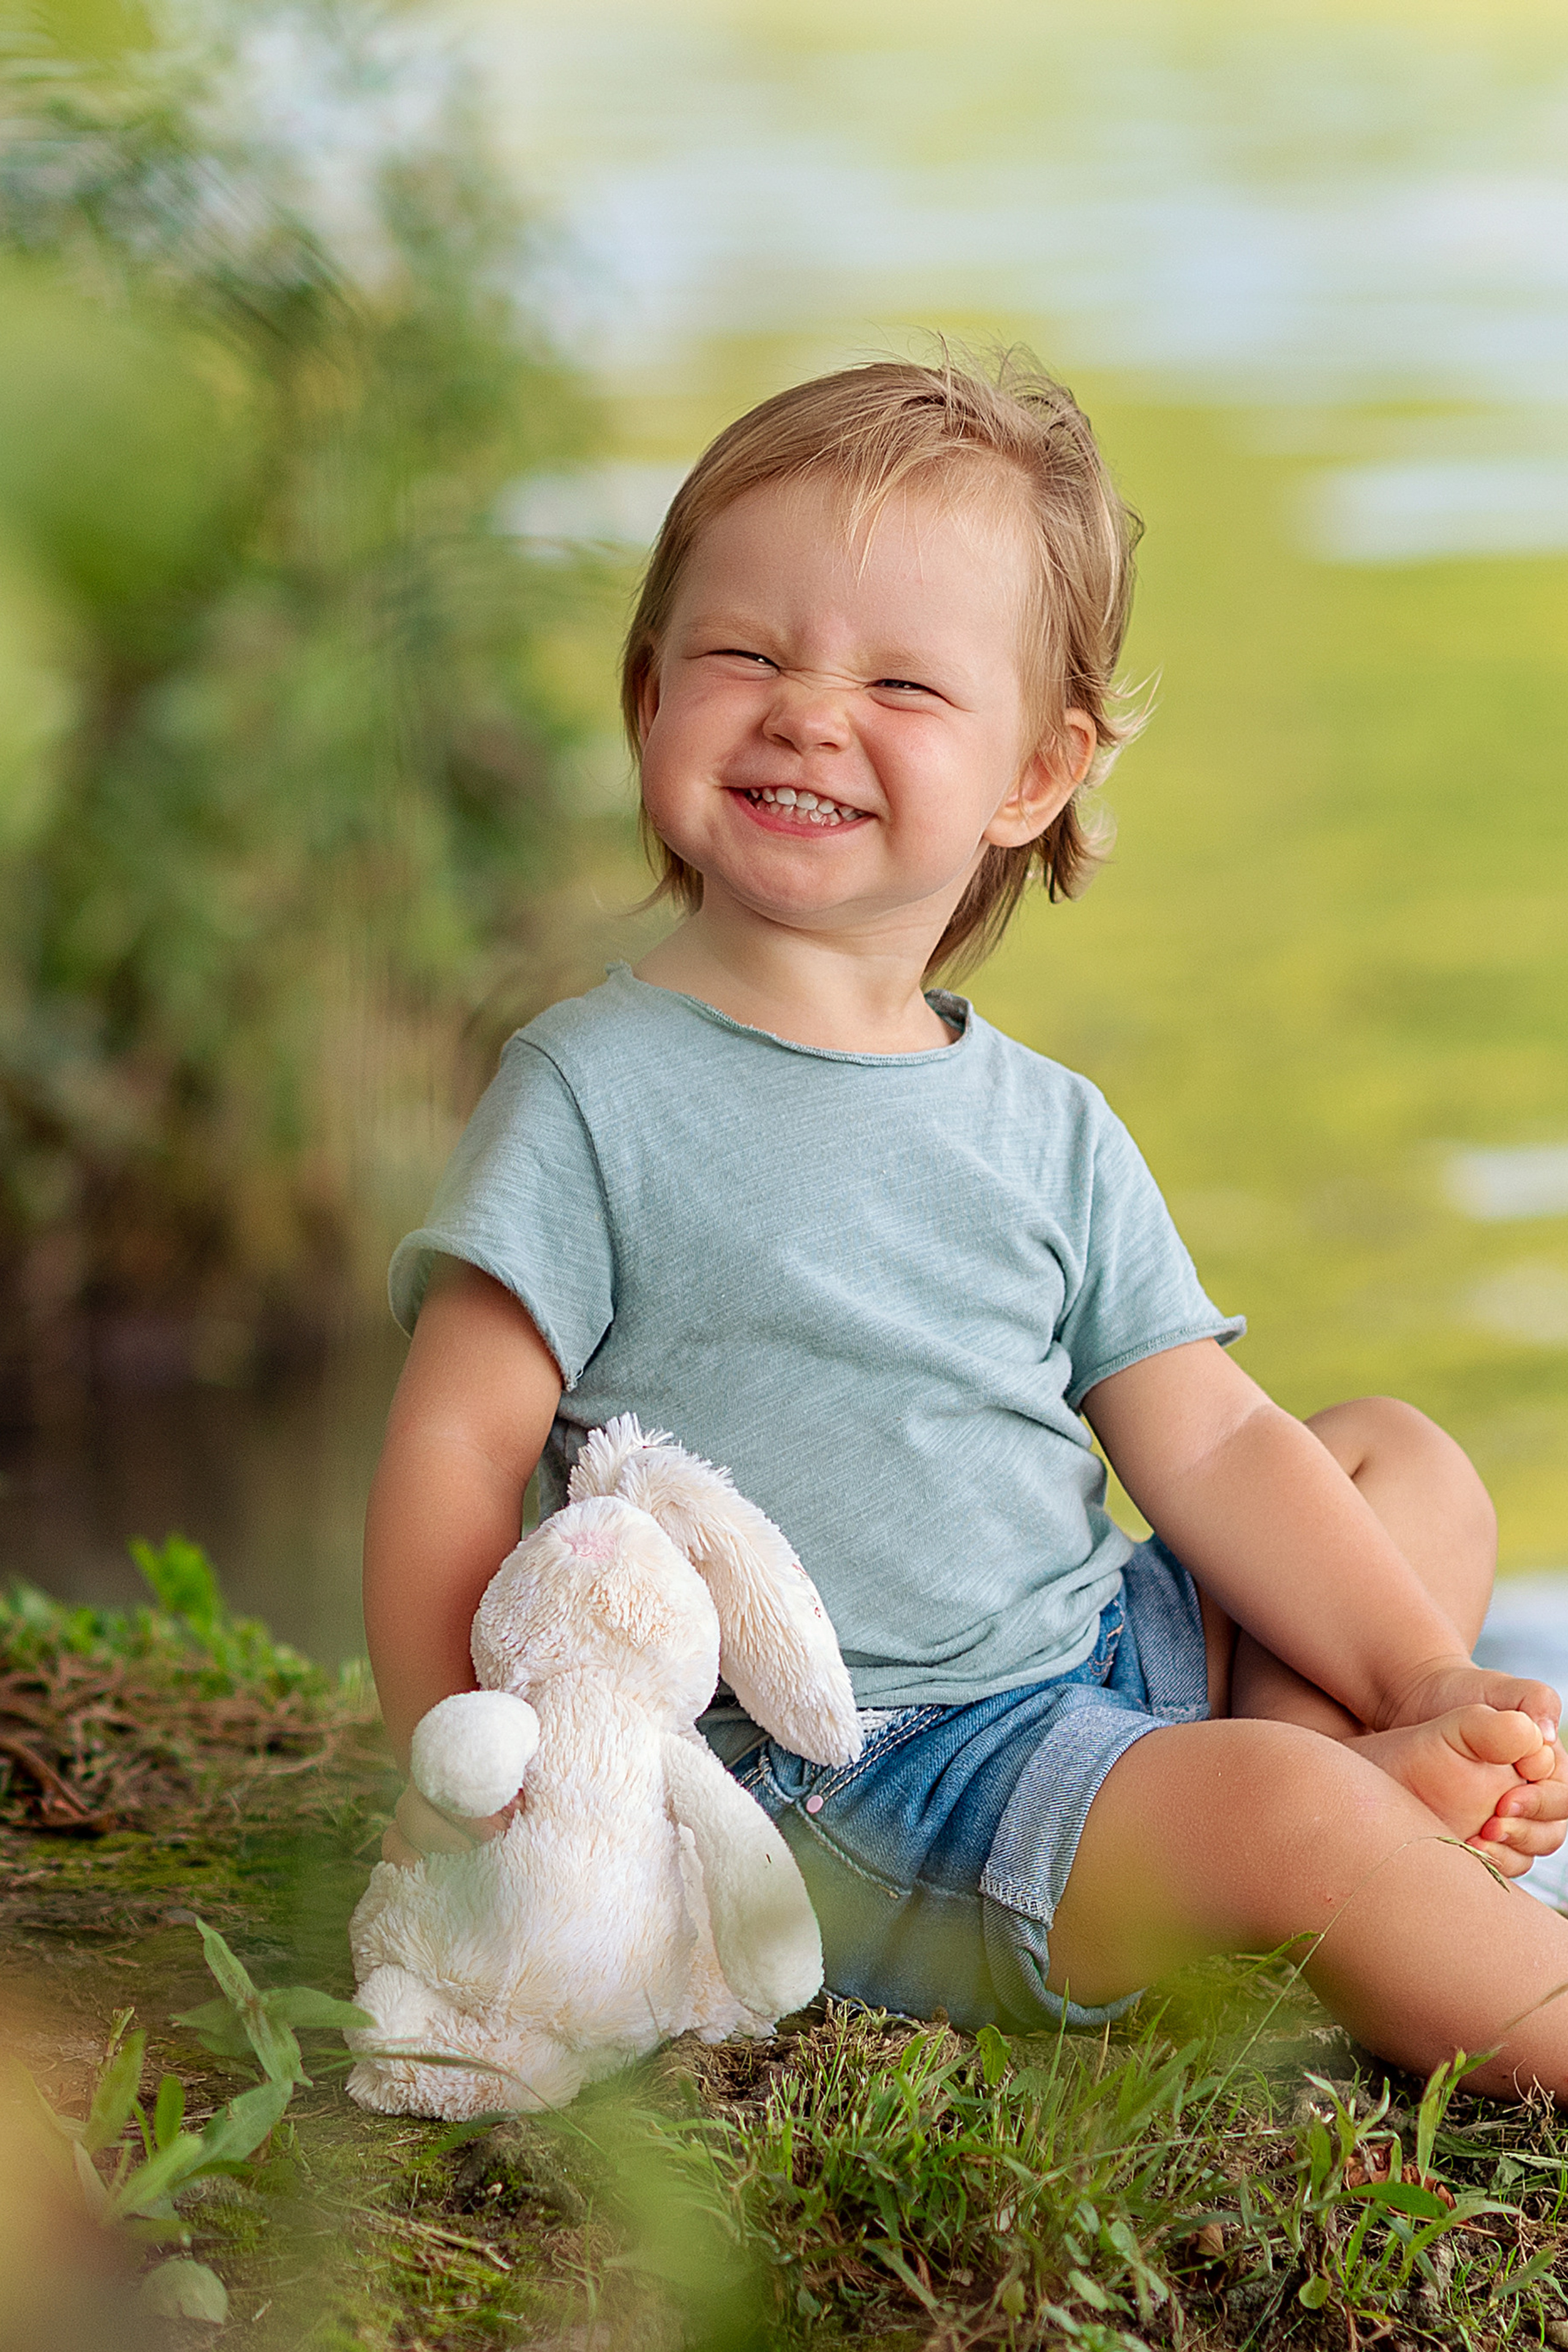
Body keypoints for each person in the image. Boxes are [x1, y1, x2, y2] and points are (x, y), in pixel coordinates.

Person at [363, 355, 1568, 2095]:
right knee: (1289, 1804)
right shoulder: (594, 1091)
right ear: (648, 700)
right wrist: (458, 1780)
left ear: (1036, 771)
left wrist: (1424, 1677)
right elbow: (456, 1454)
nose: (806, 712)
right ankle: (1339, 1868)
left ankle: (1321, 1835)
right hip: (864, 1786)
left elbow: (1214, 1443)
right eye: (743, 654)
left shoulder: (1041, 1121)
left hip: (1086, 1665)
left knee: (1403, 1465)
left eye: (902, 683)